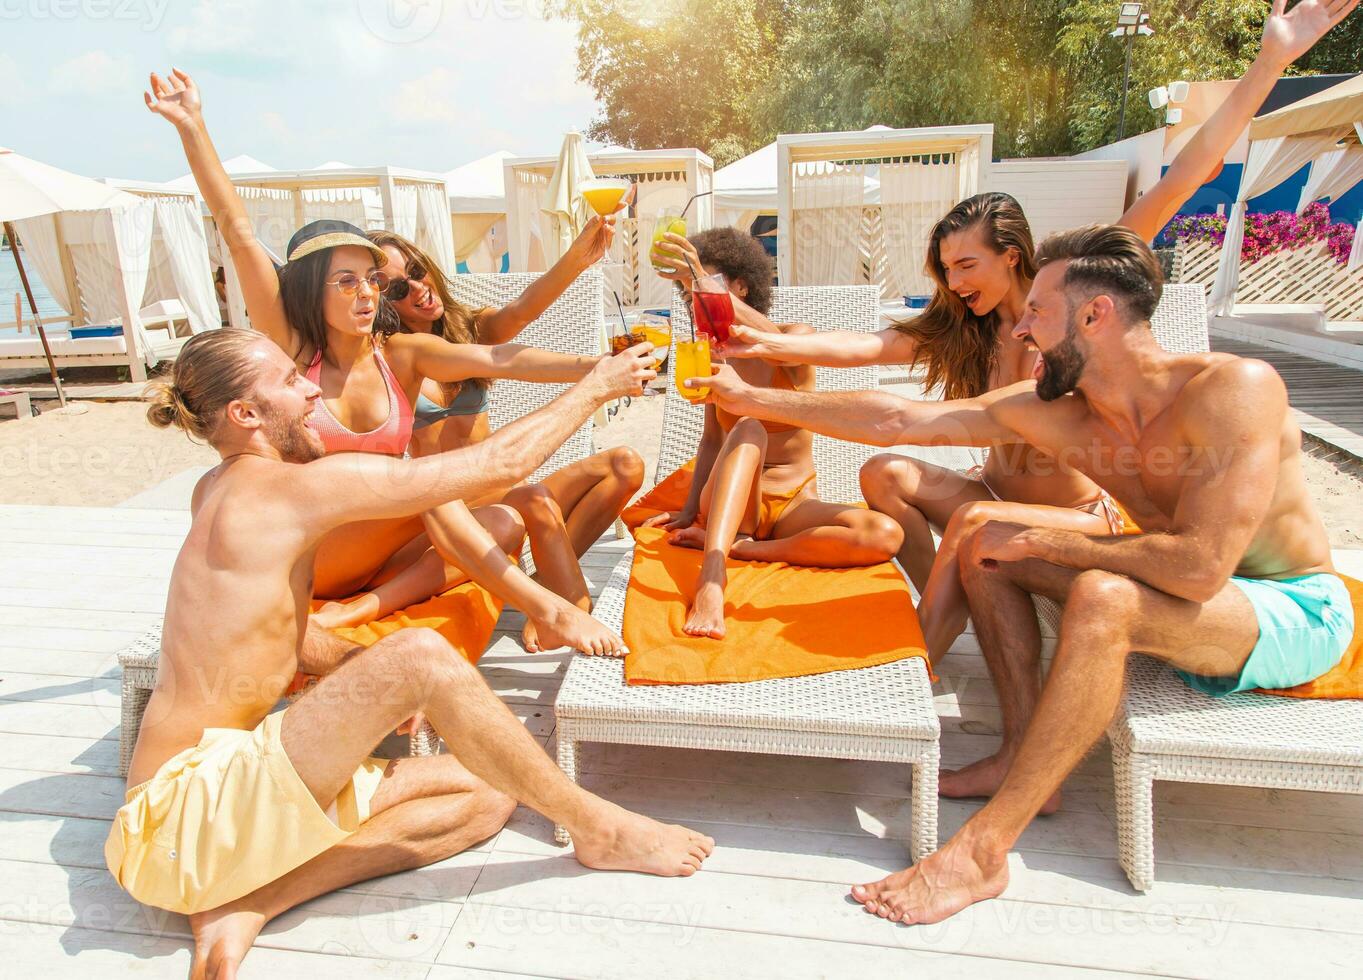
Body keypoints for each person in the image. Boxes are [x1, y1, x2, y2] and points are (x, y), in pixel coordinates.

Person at [693, 222, 1353, 925]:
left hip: (1287, 610)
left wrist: (1057, 545)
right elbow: (898, 419)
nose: (1021, 332)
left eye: (1037, 313)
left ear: (1095, 315)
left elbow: (1197, 568)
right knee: (988, 539)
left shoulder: (1234, 387)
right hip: (1173, 595)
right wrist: (757, 399)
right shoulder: (1062, 414)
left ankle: (982, 852)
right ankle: (1018, 754)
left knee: (1099, 592)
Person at [714, 0, 1359, 674]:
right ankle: (948, 595)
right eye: (944, 269)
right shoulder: (962, 329)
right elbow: (865, 353)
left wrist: (1268, 63)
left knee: (970, 525)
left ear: (1012, 256)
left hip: (1084, 515)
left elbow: (1185, 175)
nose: (953, 281)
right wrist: (766, 349)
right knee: (885, 470)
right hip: (992, 492)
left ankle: (925, 647)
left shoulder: (1078, 306)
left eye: (966, 265)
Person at [111, 328, 712, 978]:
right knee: (419, 654)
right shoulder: (284, 490)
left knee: (490, 792)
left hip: (193, 825)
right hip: (185, 811)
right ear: (245, 415)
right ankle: (602, 827)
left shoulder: (217, 488)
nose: (314, 387)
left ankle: (254, 897)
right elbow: (494, 469)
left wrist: (357, 680)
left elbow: (276, 630)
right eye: (290, 381)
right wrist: (597, 385)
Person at [146, 68, 626, 655]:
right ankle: (548, 609)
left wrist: (597, 368)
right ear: (310, 292)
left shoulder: (400, 354)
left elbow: (499, 355)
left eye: (371, 281)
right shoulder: (293, 349)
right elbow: (238, 231)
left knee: (497, 521)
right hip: (316, 549)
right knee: (428, 487)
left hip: (380, 555)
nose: (367, 294)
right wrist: (193, 126)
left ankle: (361, 611)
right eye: (346, 282)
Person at [365, 229, 646, 651]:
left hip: (504, 494)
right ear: (384, 304)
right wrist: (597, 371)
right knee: (534, 499)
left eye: (419, 272)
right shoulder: (395, 353)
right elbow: (504, 361)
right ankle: (566, 610)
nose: (420, 289)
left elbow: (523, 309)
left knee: (624, 464)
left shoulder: (467, 331)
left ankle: (542, 587)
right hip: (453, 512)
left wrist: (577, 257)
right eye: (401, 288)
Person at [646, 228, 903, 638]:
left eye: (707, 285)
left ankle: (742, 549)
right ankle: (712, 579)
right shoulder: (710, 355)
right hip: (733, 502)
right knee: (748, 426)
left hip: (791, 507)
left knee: (884, 534)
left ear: (741, 288)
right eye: (692, 292)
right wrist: (690, 508)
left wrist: (698, 276)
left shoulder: (795, 341)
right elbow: (712, 440)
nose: (697, 298)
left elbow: (776, 340)